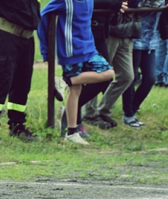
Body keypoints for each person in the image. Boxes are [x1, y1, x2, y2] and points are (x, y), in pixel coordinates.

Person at [39, 0, 120, 145]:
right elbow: (43, 15)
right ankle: (71, 132)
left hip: (89, 49)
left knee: (108, 73)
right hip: (71, 51)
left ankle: (64, 81)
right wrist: (46, 50)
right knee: (75, 90)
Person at [0, 0, 42, 144]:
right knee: (0, 81)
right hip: (5, 33)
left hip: (27, 37)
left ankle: (17, 126)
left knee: (23, 83)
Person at [84, 1, 139, 130]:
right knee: (99, 73)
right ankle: (89, 113)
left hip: (128, 31)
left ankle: (103, 110)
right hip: (107, 30)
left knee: (127, 76)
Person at [122, 0, 168, 129]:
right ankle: (128, 114)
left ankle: (133, 107)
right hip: (133, 37)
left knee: (150, 78)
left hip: (151, 40)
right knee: (130, 78)